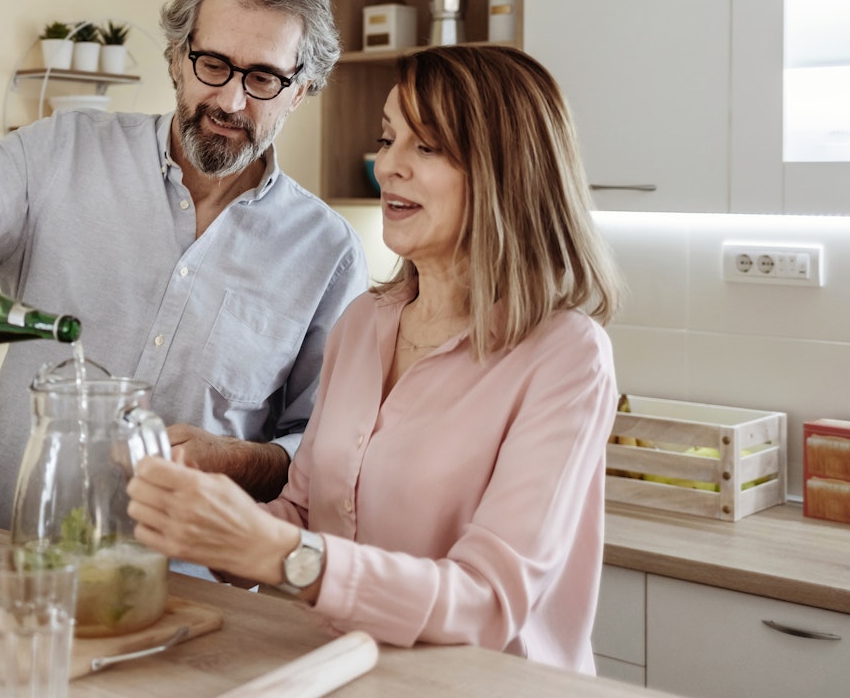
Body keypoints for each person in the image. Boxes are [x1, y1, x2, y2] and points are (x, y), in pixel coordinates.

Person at [0, 0, 369, 530]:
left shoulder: (328, 253)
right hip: (3, 552)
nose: (230, 100)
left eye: (263, 77)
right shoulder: (64, 151)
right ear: (176, 58)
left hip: (187, 583)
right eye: (212, 64)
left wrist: (240, 459)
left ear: (302, 89)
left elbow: (324, 449)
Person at [126, 45, 623, 673]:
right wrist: (209, 522)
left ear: (507, 171)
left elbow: (488, 601)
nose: (388, 166)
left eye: (427, 147)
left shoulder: (564, 356)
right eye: (387, 139)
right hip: (345, 669)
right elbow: (306, 512)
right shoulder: (364, 323)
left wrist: (277, 553)